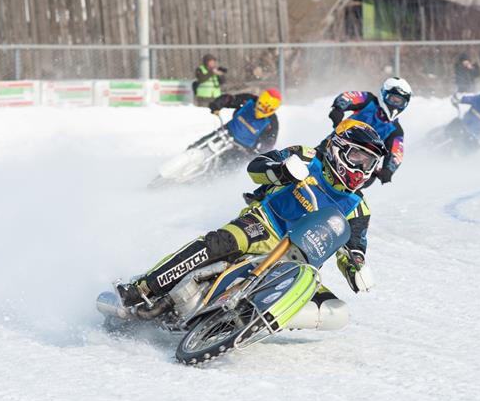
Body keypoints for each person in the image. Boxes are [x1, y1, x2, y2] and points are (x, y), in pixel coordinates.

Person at [117, 120, 385, 331]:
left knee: (336, 311)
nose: (362, 169)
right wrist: (280, 171)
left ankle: (243, 324)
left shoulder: (359, 207)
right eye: (357, 157)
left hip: (301, 262)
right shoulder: (306, 157)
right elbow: (256, 166)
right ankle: (143, 288)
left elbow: (354, 245)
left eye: (369, 163)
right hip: (264, 226)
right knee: (217, 244)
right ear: (339, 147)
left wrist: (356, 267)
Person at [326, 77, 412, 185]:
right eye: (393, 99)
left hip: (362, 165)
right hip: (338, 145)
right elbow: (349, 97)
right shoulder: (368, 100)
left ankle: (345, 199)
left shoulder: (396, 131)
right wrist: (338, 109)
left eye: (400, 102)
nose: (395, 105)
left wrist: (388, 170)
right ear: (383, 94)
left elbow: (396, 154)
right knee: (315, 158)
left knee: (364, 180)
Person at [208, 88, 281, 153]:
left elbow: (269, 143)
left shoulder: (272, 122)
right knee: (203, 144)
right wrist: (217, 105)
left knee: (225, 165)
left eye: (265, 108)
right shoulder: (249, 100)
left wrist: (260, 150)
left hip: (242, 150)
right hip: (225, 132)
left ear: (271, 110)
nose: (260, 109)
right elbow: (230, 99)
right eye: (260, 104)